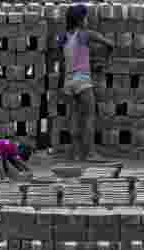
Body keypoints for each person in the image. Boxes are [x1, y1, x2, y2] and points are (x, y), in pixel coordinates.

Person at [57, 4, 114, 163]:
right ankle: (90, 153)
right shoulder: (86, 34)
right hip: (82, 80)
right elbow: (109, 44)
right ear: (81, 20)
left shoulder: (63, 37)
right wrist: (104, 60)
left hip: (68, 82)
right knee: (89, 117)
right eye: (86, 17)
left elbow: (62, 60)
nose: (87, 20)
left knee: (74, 117)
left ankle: (75, 153)